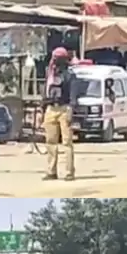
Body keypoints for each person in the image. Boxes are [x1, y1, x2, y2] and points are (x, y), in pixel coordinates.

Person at [43, 47, 76, 181]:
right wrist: (42, 108)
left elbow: (73, 94)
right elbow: (45, 91)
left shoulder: (70, 75)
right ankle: (51, 172)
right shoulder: (49, 73)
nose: (55, 61)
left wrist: (71, 110)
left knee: (67, 143)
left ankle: (69, 172)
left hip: (64, 108)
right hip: (51, 108)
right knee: (50, 142)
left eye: (58, 58)